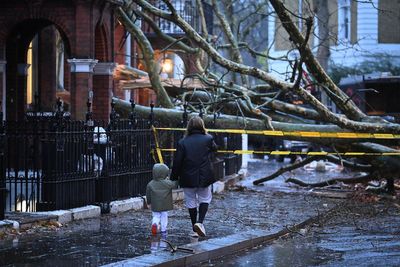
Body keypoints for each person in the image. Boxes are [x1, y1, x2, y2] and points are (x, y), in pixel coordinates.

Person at [171, 116, 218, 237]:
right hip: (204, 176)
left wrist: (174, 177)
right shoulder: (208, 138)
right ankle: (200, 223)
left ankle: (194, 229)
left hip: (187, 176)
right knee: (205, 198)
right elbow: (215, 149)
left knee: (190, 200)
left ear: (189, 126)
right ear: (202, 125)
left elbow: (177, 161)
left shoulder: (182, 142)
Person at [146, 163, 178, 235]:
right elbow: (175, 184)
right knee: (164, 216)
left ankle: (154, 224)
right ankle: (163, 229)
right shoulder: (167, 183)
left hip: (155, 204)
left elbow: (148, 194)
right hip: (165, 204)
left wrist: (148, 203)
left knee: (156, 216)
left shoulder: (150, 184)